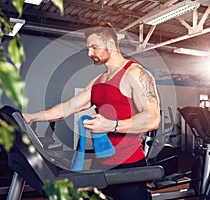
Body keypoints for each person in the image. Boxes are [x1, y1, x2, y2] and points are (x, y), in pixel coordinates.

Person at [23, 22, 160, 200]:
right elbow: (68, 107)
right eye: (88, 48)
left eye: (94, 47)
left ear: (111, 44)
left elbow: (153, 118)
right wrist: (31, 117)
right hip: (102, 166)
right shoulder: (98, 81)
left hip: (130, 166)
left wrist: (111, 125)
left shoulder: (135, 73)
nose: (89, 53)